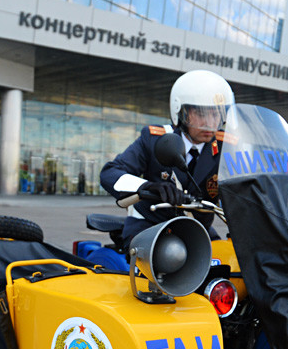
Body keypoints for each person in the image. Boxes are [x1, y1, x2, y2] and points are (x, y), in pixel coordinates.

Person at [100, 70, 233, 246]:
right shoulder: (155, 139)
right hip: (150, 226)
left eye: (216, 114)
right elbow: (110, 172)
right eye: (202, 114)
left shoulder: (227, 148)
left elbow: (247, 187)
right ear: (181, 111)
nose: (210, 123)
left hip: (197, 229)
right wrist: (147, 186)